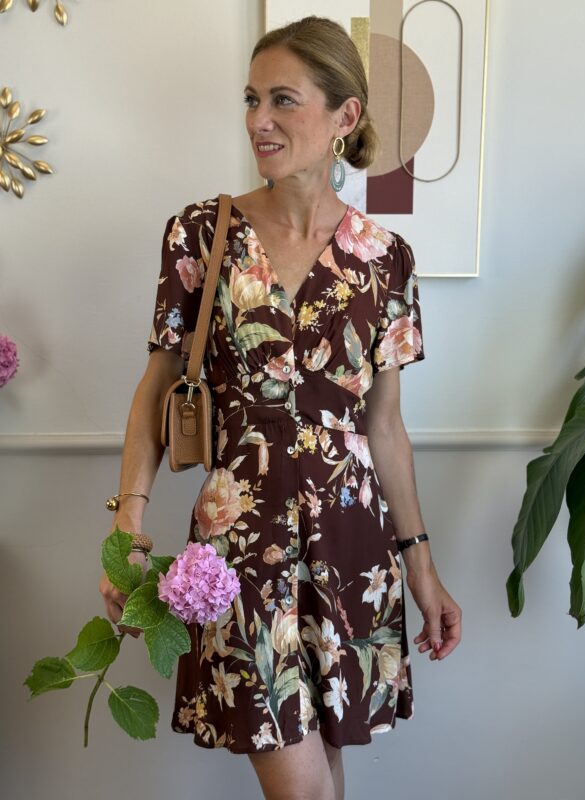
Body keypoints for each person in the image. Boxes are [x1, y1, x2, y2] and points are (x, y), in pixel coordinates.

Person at [99, 14, 462, 800]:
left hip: (354, 547)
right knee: (303, 788)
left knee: (325, 773)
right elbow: (158, 386)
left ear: (344, 116)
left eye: (282, 100)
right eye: (251, 99)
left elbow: (384, 428)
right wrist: (129, 518)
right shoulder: (201, 234)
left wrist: (422, 568)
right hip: (241, 546)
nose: (258, 120)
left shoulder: (385, 260)